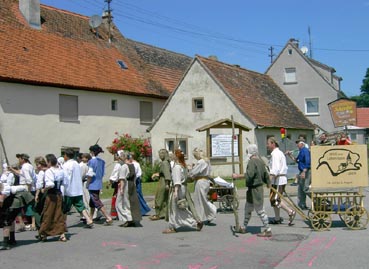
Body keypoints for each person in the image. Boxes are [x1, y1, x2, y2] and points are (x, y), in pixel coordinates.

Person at [232, 144, 272, 237]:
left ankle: (268, 229)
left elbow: (250, 175)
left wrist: (238, 176)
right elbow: (266, 174)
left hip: (255, 189)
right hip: (253, 190)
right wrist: (268, 182)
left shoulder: (252, 162)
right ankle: (244, 227)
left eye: (247, 152)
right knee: (248, 209)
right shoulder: (260, 161)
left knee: (260, 210)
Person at [162, 149, 203, 234]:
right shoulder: (183, 166)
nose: (172, 155)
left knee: (174, 209)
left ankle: (174, 227)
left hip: (178, 189)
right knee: (180, 208)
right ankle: (194, 223)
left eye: (173, 154)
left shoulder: (177, 167)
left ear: (176, 156)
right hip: (183, 188)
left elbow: (177, 181)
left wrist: (175, 191)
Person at [37, 154, 67, 242]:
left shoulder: (49, 171)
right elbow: (65, 182)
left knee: (47, 214)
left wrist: (43, 189)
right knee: (58, 214)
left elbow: (50, 184)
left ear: (49, 162)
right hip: (59, 194)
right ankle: (62, 234)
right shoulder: (61, 170)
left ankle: (44, 234)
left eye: (46, 162)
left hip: (51, 195)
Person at [267, 137, 296, 225]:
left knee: (275, 200)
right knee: (274, 199)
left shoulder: (275, 154)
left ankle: (290, 211)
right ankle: (277, 218)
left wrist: (269, 180)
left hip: (278, 180)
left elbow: (275, 170)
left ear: (273, 144)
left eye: (268, 143)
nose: (267, 145)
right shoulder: (278, 153)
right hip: (278, 180)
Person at [62, 149, 94, 228]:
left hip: (69, 190)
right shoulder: (77, 163)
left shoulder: (66, 165)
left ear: (66, 156)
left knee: (65, 208)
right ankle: (88, 219)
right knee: (80, 206)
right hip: (77, 189)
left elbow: (66, 177)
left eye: (64, 155)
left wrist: (63, 188)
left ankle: (63, 223)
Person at [0, 183, 33, 250]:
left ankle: (5, 243)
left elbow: (1, 202)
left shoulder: (3, 190)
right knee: (10, 219)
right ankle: (12, 240)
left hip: (16, 199)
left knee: (6, 220)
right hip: (12, 200)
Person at [86, 144, 113, 226]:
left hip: (93, 183)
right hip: (99, 182)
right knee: (92, 202)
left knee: (96, 201)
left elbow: (90, 174)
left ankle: (108, 217)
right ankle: (90, 218)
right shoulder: (102, 161)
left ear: (92, 152)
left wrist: (87, 183)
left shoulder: (91, 161)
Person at [188, 148, 217, 224]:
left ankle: (211, 212)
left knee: (200, 200)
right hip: (206, 181)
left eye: (195, 156)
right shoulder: (207, 161)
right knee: (202, 199)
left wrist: (190, 169)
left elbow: (194, 172)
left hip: (200, 182)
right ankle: (203, 216)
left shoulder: (201, 162)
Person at [9, 154, 36, 231]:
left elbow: (29, 180)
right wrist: (12, 169)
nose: (18, 161)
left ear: (23, 159)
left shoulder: (25, 167)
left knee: (28, 206)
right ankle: (26, 224)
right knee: (27, 206)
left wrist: (28, 191)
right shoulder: (28, 166)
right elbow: (20, 173)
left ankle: (32, 224)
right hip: (26, 187)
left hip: (26, 188)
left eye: (19, 159)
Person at [116, 151, 142, 227]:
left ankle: (128, 218)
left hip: (126, 186)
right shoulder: (132, 165)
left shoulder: (124, 166)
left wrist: (121, 189)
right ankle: (131, 218)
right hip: (132, 185)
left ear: (124, 157)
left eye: (121, 156)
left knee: (121, 203)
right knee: (130, 202)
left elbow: (122, 179)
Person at [287, 139, 311, 210]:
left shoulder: (305, 150)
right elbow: (296, 160)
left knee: (305, 188)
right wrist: (290, 155)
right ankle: (302, 204)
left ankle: (317, 201)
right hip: (302, 171)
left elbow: (308, 162)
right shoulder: (301, 151)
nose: (297, 145)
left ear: (302, 144)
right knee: (301, 188)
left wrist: (304, 172)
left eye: (298, 143)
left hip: (306, 171)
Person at [150, 149, 171, 221]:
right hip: (162, 180)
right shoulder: (166, 162)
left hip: (163, 181)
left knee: (159, 197)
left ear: (164, 154)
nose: (159, 156)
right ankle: (163, 213)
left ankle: (159, 214)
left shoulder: (164, 163)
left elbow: (167, 174)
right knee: (164, 198)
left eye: (161, 154)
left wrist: (167, 184)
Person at [108, 151, 122, 220]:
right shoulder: (126, 163)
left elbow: (114, 175)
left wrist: (109, 182)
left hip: (119, 183)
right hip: (125, 183)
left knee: (116, 198)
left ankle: (118, 214)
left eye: (116, 155)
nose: (115, 156)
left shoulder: (118, 165)